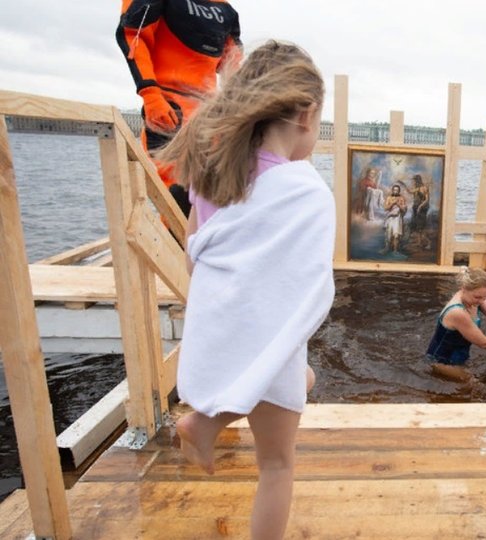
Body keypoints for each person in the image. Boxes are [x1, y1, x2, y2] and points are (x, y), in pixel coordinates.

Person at [157, 41, 332, 539]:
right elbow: (308, 276)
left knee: (306, 381)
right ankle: (206, 425)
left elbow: (197, 252)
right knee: (277, 467)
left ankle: (210, 418)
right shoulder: (304, 189)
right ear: (305, 113)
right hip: (270, 331)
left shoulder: (213, 177)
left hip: (224, 325)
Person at [116, 0, 242, 216]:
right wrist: (150, 94)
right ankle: (175, 241)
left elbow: (232, 62)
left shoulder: (225, 9)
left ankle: (201, 243)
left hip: (208, 114)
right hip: (168, 108)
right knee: (175, 195)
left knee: (213, 193)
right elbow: (133, 35)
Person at [407, 174, 431, 250]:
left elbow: (427, 200)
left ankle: (428, 243)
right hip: (416, 208)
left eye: (414, 180)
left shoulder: (424, 188)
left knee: (421, 227)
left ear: (417, 180)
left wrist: (420, 206)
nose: (413, 182)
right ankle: (419, 243)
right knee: (417, 228)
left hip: (422, 209)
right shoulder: (417, 189)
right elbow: (410, 191)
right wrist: (403, 184)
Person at [382, 184, 407, 254]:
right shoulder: (389, 198)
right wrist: (392, 203)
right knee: (388, 234)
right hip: (390, 218)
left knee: (396, 234)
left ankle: (395, 250)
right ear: (392, 190)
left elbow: (404, 210)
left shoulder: (402, 198)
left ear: (399, 191)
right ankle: (386, 248)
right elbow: (385, 208)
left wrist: (398, 204)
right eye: (394, 190)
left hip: (398, 218)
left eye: (397, 190)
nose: (395, 191)